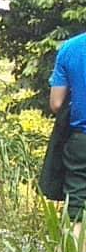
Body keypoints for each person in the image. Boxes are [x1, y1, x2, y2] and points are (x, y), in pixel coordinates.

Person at [45, 28, 86, 218]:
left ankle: (77, 238)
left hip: (80, 141)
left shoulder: (70, 47)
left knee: (77, 208)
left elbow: (56, 103)